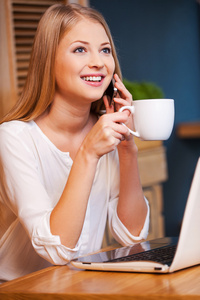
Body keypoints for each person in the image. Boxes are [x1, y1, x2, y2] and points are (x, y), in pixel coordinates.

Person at [0, 3, 149, 282]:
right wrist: (88, 153)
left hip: (79, 283)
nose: (98, 62)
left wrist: (128, 149)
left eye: (105, 50)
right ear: (48, 60)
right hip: (18, 289)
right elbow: (57, 251)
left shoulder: (107, 132)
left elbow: (132, 234)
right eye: (80, 49)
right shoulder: (13, 138)